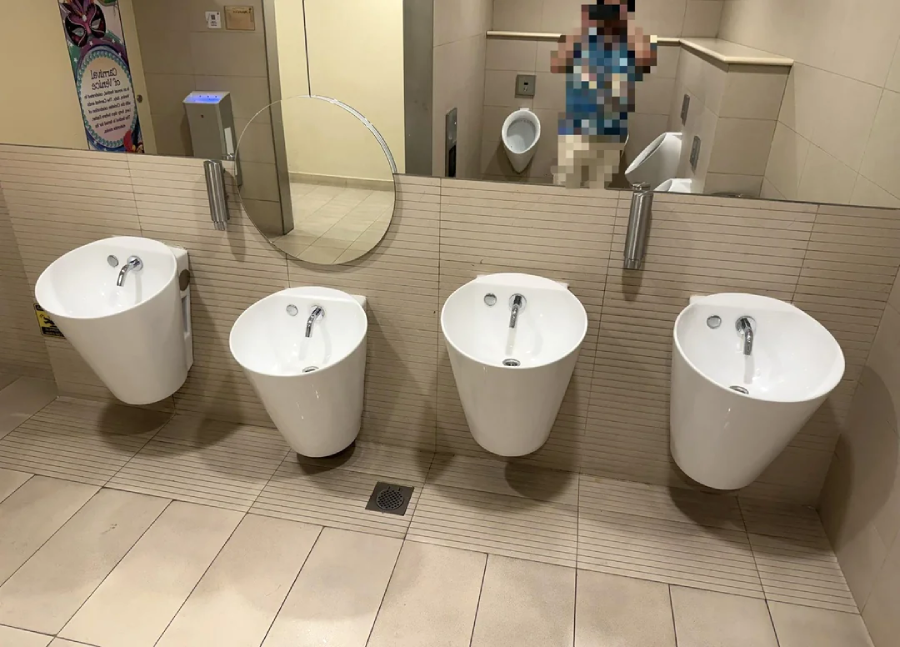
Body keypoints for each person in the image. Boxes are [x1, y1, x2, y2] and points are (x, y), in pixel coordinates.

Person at [551, 0, 657, 188]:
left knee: (598, 187)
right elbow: (557, 63)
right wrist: (584, 29)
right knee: (565, 183)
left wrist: (628, 29)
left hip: (611, 133)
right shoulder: (583, 39)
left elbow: (648, 59)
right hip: (577, 129)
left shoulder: (630, 45)